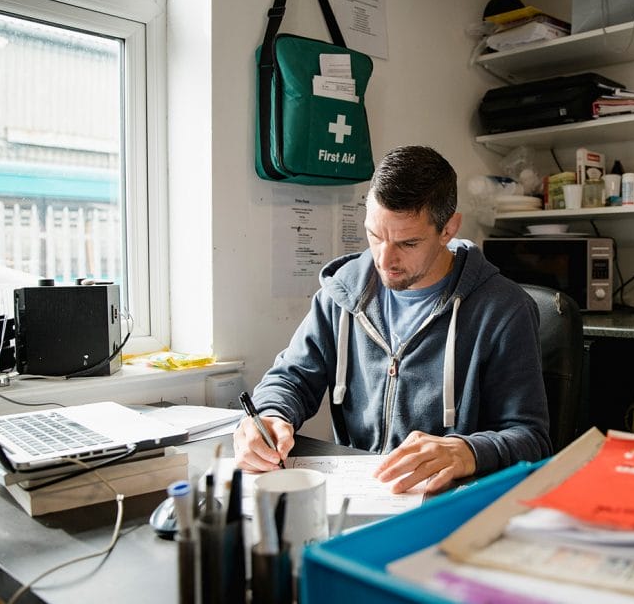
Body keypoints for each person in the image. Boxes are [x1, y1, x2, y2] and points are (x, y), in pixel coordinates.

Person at [234, 145, 551, 493]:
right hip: (357, 494)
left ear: (448, 229)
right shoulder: (342, 294)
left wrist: (468, 451)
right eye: (375, 235)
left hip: (446, 504)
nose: (385, 259)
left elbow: (531, 439)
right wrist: (268, 417)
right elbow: (291, 378)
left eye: (408, 243)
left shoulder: (505, 310)